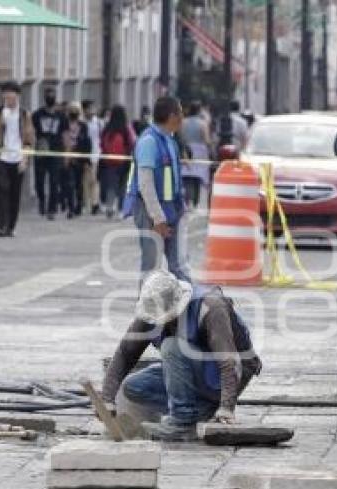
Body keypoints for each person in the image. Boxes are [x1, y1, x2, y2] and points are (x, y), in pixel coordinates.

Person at [101, 270, 262, 440]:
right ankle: (199, 412)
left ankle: (182, 423)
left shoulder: (210, 307)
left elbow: (228, 361)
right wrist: (107, 399)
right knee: (135, 386)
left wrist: (227, 407)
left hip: (230, 374)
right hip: (200, 373)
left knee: (172, 347)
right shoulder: (151, 312)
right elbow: (125, 354)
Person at [122, 96, 189, 282]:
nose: (183, 117)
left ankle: (190, 307)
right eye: (180, 112)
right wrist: (157, 218)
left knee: (178, 265)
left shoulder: (169, 140)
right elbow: (145, 184)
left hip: (170, 210)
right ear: (171, 116)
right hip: (150, 211)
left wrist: (180, 209)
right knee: (151, 267)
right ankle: (146, 309)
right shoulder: (149, 142)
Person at [0, 82, 34, 237]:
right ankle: (2, 225)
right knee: (3, 190)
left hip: (17, 158)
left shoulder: (24, 114)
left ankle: (11, 226)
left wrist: (25, 158)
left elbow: (28, 138)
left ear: (17, 96)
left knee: (15, 193)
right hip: (2, 157)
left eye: (11, 95)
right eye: (6, 95)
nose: (8, 98)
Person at [32, 87, 67, 220]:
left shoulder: (61, 116)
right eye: (48, 95)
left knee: (54, 180)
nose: (50, 97)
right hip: (41, 151)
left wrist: (66, 153)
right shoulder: (37, 115)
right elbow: (31, 132)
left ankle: (52, 208)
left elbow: (65, 134)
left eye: (52, 94)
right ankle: (42, 200)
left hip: (56, 151)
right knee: (39, 180)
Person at [100, 105, 135, 218]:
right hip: (124, 161)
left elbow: (101, 143)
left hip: (109, 162)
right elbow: (132, 142)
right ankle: (121, 210)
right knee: (123, 186)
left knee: (111, 185)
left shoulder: (107, 128)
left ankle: (109, 207)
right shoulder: (126, 128)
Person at [61, 102, 91, 218]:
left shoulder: (83, 126)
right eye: (71, 110)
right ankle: (71, 208)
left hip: (79, 158)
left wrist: (86, 160)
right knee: (69, 183)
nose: (73, 113)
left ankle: (78, 205)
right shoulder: (64, 124)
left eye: (75, 111)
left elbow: (86, 143)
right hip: (67, 157)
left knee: (79, 184)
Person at [179, 101, 211, 208]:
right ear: (199, 111)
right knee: (198, 176)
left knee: (186, 174)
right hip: (200, 152)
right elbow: (206, 139)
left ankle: (186, 199)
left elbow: (180, 137)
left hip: (186, 150)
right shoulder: (203, 123)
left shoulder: (183, 122)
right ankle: (195, 201)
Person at [82, 100, 103, 215]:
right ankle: (87, 203)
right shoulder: (82, 122)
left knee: (95, 180)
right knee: (86, 180)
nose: (92, 111)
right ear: (84, 110)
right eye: (89, 108)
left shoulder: (98, 122)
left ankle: (95, 203)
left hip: (97, 153)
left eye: (93, 108)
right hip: (85, 154)